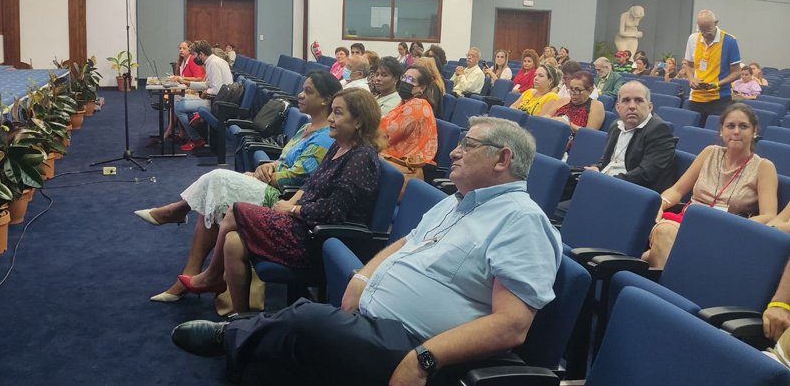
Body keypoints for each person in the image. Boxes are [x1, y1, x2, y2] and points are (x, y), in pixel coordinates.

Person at [170, 116, 562, 386]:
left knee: (308, 323)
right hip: (378, 323)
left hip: (417, 345)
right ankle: (245, 348)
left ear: (503, 159)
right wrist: (363, 276)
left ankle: (231, 337)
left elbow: (512, 326)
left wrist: (424, 357)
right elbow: (406, 242)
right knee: (287, 352)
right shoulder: (457, 200)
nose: (455, 152)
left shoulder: (521, 221)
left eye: (468, 145)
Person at [135, 71, 342, 302]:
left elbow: (295, 177)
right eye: (303, 89)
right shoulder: (307, 128)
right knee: (216, 193)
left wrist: (263, 175)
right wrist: (267, 166)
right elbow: (284, 161)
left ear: (326, 100)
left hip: (282, 199)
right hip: (272, 184)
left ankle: (177, 212)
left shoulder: (325, 138)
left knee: (218, 179)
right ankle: (189, 270)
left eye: (309, 91)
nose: (300, 95)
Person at [177, 88, 383, 314]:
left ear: (359, 122)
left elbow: (334, 212)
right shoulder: (339, 145)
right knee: (233, 242)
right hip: (303, 226)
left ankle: (211, 276)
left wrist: (293, 209)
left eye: (338, 113)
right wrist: (291, 204)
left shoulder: (361, 158)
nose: (331, 118)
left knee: (236, 211)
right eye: (332, 111)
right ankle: (242, 317)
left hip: (320, 239)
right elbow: (311, 183)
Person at [643, 103, 778, 268]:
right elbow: (677, 190)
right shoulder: (710, 152)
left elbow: (769, 215)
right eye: (730, 126)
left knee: (654, 253)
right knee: (665, 232)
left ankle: (655, 264)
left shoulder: (764, 167)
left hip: (726, 232)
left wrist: (729, 226)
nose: (736, 131)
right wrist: (661, 203)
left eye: (743, 126)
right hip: (687, 222)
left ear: (754, 131)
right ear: (722, 131)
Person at [585, 81, 676, 193]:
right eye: (626, 100)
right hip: (607, 184)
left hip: (633, 193)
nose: (632, 106)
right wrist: (598, 168)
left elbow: (645, 174)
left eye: (638, 100)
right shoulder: (616, 126)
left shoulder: (659, 130)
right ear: (618, 107)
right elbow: (610, 160)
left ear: (650, 107)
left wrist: (605, 180)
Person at [682, 9, 742, 126]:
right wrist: (691, 79)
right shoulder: (693, 39)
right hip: (696, 97)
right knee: (692, 133)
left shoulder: (730, 41)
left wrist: (718, 83)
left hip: (720, 99)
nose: (705, 34)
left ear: (716, 23)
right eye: (701, 30)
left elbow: (736, 72)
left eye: (708, 30)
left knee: (715, 136)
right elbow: (688, 64)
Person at [173, 40, 234, 151]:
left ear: (201, 54)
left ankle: (196, 139)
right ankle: (195, 137)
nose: (194, 57)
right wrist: (188, 83)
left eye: (195, 55)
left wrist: (206, 92)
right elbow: (208, 84)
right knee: (181, 100)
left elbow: (217, 89)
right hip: (217, 99)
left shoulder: (214, 64)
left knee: (179, 107)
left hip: (218, 103)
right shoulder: (212, 61)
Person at [380, 65, 439, 165]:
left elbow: (390, 134)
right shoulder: (405, 102)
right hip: (392, 158)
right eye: (404, 77)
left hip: (405, 162)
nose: (405, 82)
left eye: (411, 80)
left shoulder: (418, 105)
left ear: (422, 88)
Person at [542, 71, 605, 140]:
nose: (573, 93)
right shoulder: (564, 101)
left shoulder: (595, 106)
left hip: (574, 144)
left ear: (590, 90)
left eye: (578, 90)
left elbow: (589, 134)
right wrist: (547, 118)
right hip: (550, 136)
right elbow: (544, 119)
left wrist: (568, 125)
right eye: (571, 89)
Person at [164, 41, 206, 140]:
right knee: (171, 97)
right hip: (187, 88)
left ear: (189, 50)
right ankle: (181, 131)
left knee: (174, 99)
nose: (181, 50)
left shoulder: (192, 60)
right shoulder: (183, 61)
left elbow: (199, 78)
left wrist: (182, 79)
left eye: (184, 48)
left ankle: (172, 129)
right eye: (180, 48)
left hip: (195, 90)